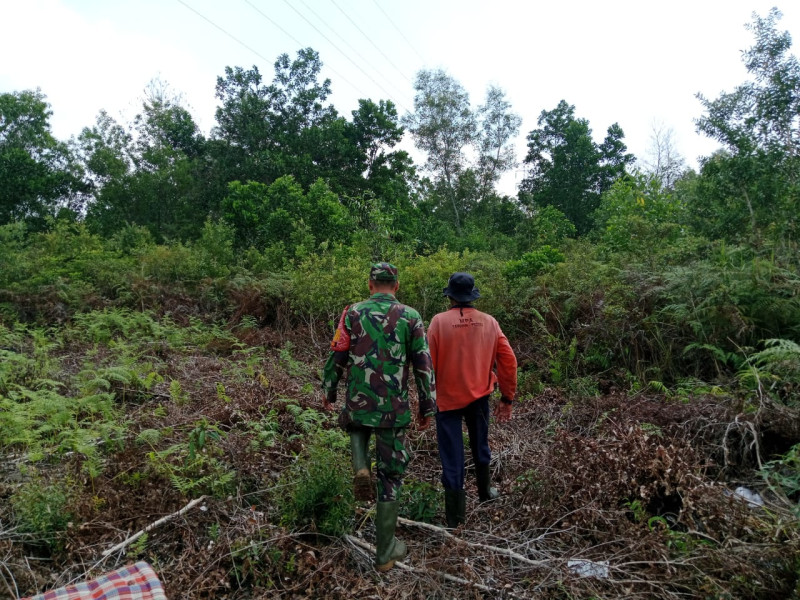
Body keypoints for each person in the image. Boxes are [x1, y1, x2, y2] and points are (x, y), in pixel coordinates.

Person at [322, 262, 436, 571]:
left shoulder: (352, 312)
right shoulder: (411, 316)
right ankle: (385, 552)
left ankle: (360, 465)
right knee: (391, 476)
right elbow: (422, 364)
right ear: (396, 286)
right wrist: (427, 405)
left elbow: (338, 352)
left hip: (359, 402)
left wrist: (329, 388)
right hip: (393, 409)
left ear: (370, 285)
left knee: (354, 420)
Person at [427, 272, 517, 528]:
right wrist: (507, 397)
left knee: (452, 455)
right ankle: (485, 492)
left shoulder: (438, 322)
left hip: (446, 400)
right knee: (480, 444)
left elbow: (428, 365)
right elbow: (508, 361)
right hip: (480, 396)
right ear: (472, 295)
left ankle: (456, 518)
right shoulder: (489, 322)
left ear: (450, 297)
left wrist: (425, 401)